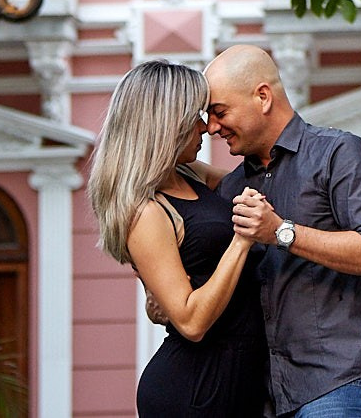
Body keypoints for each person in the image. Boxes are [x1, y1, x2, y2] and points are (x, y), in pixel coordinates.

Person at [205, 44, 361, 417]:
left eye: (220, 111)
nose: (213, 127)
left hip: (342, 386)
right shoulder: (233, 187)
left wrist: (280, 231)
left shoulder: (338, 152)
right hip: (267, 398)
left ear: (263, 97)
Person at [88, 60, 267, 418]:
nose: (206, 127)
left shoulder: (189, 175)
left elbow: (258, 182)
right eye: (195, 117)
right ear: (168, 123)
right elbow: (191, 322)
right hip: (195, 390)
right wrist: (242, 240)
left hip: (240, 380)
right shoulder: (147, 212)